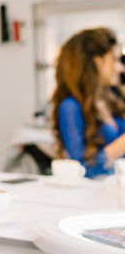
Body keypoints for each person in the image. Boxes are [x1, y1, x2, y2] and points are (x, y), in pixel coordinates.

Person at [52, 27, 125, 177]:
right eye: (115, 60)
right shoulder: (70, 107)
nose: (120, 68)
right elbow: (83, 170)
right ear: (97, 62)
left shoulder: (110, 101)